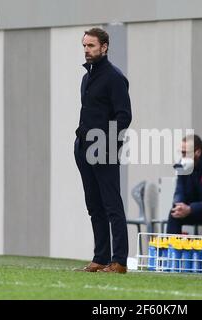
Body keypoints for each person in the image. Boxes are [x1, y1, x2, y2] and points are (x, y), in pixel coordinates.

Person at [74, 28, 132, 273]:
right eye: (85, 46)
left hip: (103, 149)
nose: (87, 50)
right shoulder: (87, 78)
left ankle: (118, 261)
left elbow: (124, 117)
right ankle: (100, 258)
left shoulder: (114, 77)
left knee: (111, 205)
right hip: (83, 147)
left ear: (104, 47)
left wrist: (105, 144)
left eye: (91, 46)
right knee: (94, 205)